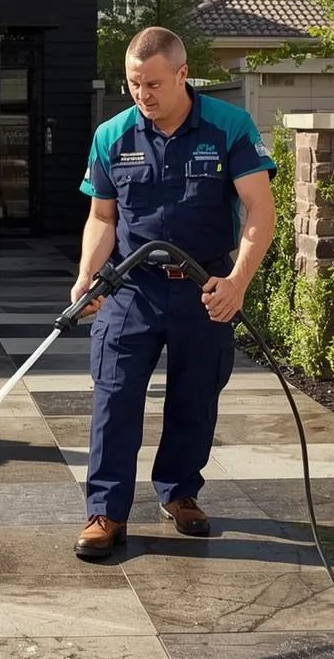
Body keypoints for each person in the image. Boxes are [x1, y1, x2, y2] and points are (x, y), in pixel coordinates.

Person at [71, 27, 275, 557]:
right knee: (114, 398)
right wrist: (86, 276)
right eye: (134, 83)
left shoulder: (229, 127)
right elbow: (101, 217)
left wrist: (237, 283)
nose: (144, 94)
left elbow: (260, 210)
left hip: (204, 287)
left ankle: (180, 492)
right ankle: (105, 512)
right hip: (131, 289)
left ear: (183, 74)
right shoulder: (112, 135)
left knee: (195, 397)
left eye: (154, 83)